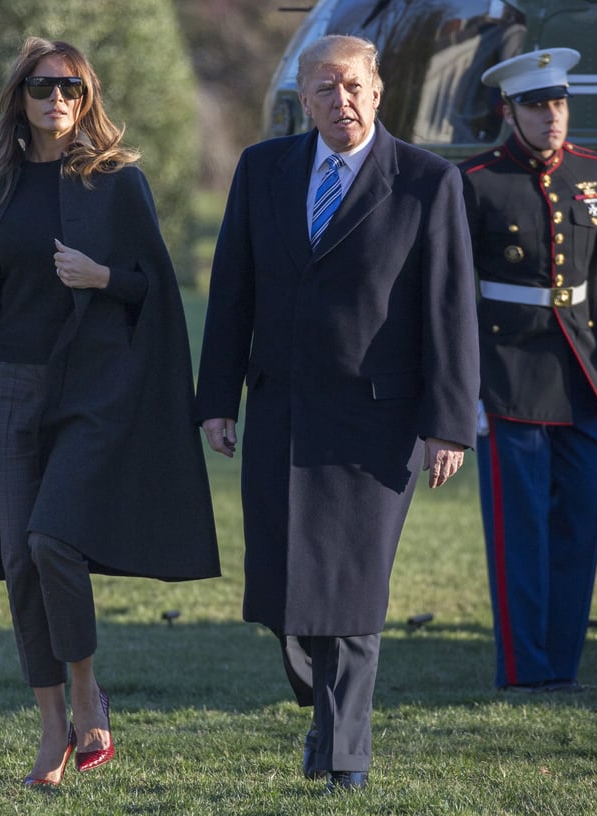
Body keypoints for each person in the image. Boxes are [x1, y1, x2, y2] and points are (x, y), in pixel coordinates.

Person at [0, 36, 220, 788]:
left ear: (89, 100)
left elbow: (155, 289)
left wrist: (102, 276)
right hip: (7, 391)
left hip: (92, 392)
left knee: (52, 540)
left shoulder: (116, 183)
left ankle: (87, 692)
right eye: (43, 87)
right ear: (19, 96)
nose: (58, 100)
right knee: (18, 560)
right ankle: (52, 729)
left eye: (72, 90)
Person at [194, 35, 479, 792]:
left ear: (378, 91)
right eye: (323, 89)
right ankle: (325, 717)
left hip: (375, 426)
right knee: (286, 599)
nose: (340, 102)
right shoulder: (263, 170)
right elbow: (232, 294)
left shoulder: (426, 182)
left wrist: (449, 420)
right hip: (281, 415)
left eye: (351, 86)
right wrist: (216, 400)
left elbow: (450, 310)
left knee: (351, 594)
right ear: (304, 97)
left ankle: (346, 758)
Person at [459, 48, 597, 693]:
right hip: (507, 374)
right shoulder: (475, 181)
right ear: (509, 111)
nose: (551, 117)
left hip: (579, 374)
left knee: (579, 529)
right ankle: (527, 672)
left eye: (558, 103)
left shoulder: (594, 173)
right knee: (519, 534)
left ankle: (564, 668)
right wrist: (466, 385)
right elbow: (452, 293)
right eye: (536, 105)